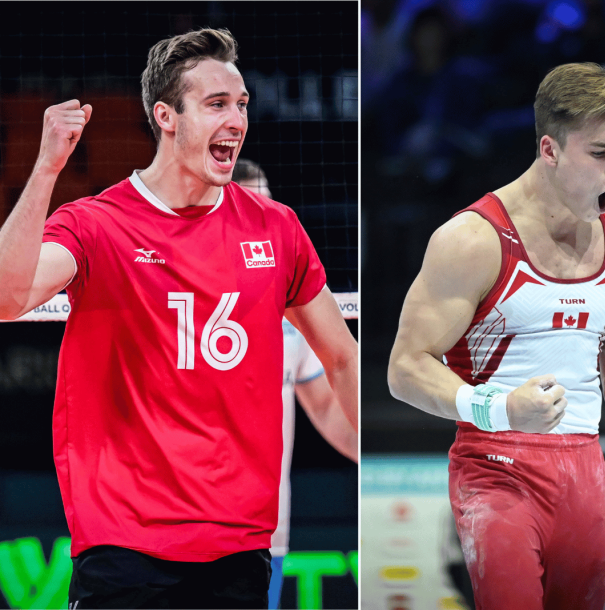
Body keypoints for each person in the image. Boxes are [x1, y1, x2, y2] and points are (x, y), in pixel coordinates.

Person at [0, 28, 358, 609]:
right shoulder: (97, 224)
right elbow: (6, 297)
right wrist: (46, 169)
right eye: (216, 104)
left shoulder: (277, 228)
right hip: (124, 544)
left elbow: (342, 358)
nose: (237, 119)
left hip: (239, 545)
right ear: (166, 116)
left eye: (242, 104)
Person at [387, 62, 605, 610]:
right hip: (495, 467)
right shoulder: (473, 240)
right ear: (550, 149)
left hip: (585, 470)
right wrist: (499, 408)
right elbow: (405, 368)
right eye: (601, 153)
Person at [233, 158, 359, 610]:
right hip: (188, 529)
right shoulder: (179, 303)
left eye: (267, 204)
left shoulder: (291, 315)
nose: (263, 219)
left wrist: (373, 452)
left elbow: (326, 407)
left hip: (268, 529)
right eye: (250, 206)